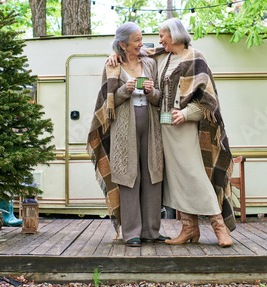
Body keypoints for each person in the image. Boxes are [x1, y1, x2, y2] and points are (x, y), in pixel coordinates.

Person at [107, 18, 236, 247]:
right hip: (164, 127)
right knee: (176, 179)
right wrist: (112, 55)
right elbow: (130, 49)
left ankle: (219, 225)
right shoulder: (162, 56)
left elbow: (208, 101)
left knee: (193, 174)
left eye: (162, 35)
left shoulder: (195, 57)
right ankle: (189, 228)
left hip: (183, 126)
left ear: (174, 35)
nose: (158, 40)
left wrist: (185, 114)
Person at [87, 22, 169, 247]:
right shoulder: (111, 66)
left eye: (141, 39)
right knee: (128, 176)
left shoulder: (150, 63)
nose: (141, 44)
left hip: (151, 126)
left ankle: (152, 231)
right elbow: (107, 101)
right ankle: (131, 232)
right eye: (136, 40)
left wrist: (152, 91)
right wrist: (125, 90)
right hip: (123, 127)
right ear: (122, 44)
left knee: (153, 174)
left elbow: (161, 98)